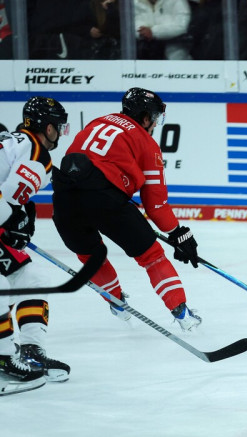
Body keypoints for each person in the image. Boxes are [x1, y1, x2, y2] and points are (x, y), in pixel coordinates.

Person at [51, 87, 202, 331]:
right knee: (152, 256)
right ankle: (183, 314)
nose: (154, 125)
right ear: (145, 118)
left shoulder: (96, 122)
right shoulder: (147, 143)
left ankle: (116, 303)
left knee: (91, 256)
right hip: (105, 199)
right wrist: (178, 234)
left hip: (63, 198)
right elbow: (156, 205)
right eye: (154, 119)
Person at [0, 97, 71, 395]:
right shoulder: (36, 153)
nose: (60, 134)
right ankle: (3, 358)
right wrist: (11, 223)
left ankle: (30, 349)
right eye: (58, 127)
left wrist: (13, 222)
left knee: (31, 278)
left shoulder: (16, 140)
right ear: (47, 126)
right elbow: (7, 201)